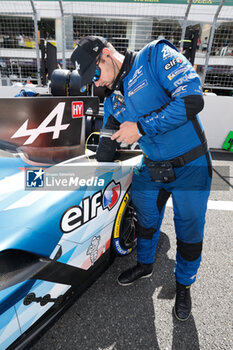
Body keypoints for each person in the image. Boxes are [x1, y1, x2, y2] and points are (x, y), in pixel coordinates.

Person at [70, 36, 212, 321]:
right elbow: (107, 150)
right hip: (153, 168)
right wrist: (83, 184)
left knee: (189, 232)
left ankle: (184, 286)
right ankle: (145, 265)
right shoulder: (112, 100)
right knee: (145, 221)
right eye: (90, 80)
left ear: (107, 55)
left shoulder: (154, 55)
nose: (95, 83)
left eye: (95, 74)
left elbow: (192, 99)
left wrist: (142, 128)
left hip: (191, 166)